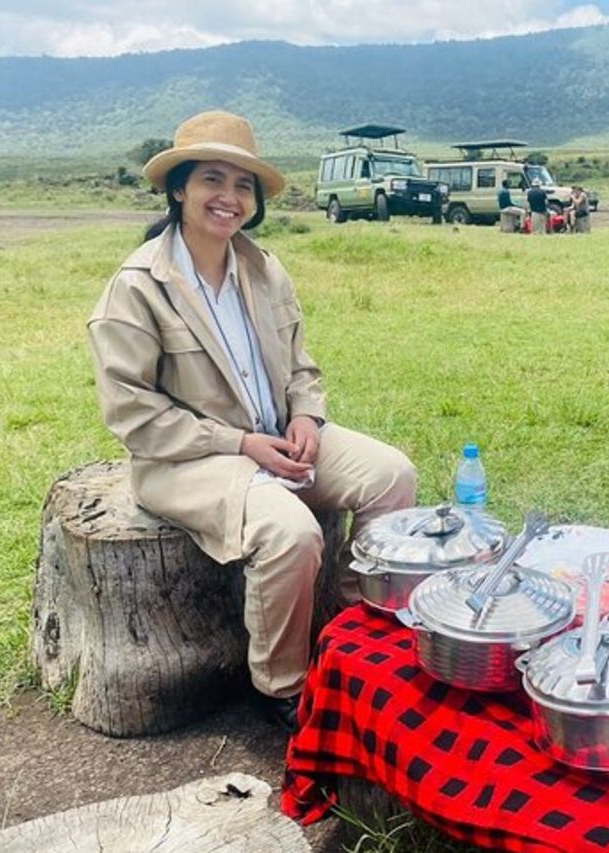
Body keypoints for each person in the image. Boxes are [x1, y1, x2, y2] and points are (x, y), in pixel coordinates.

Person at [87, 111, 418, 731]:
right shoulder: (137, 287)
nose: (229, 198)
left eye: (244, 186)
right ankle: (284, 686)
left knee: (391, 475)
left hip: (279, 438)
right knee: (292, 534)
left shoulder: (263, 269)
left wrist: (307, 418)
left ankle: (353, 636)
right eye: (213, 179)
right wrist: (241, 443)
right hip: (187, 462)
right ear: (179, 188)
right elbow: (134, 416)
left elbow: (301, 366)